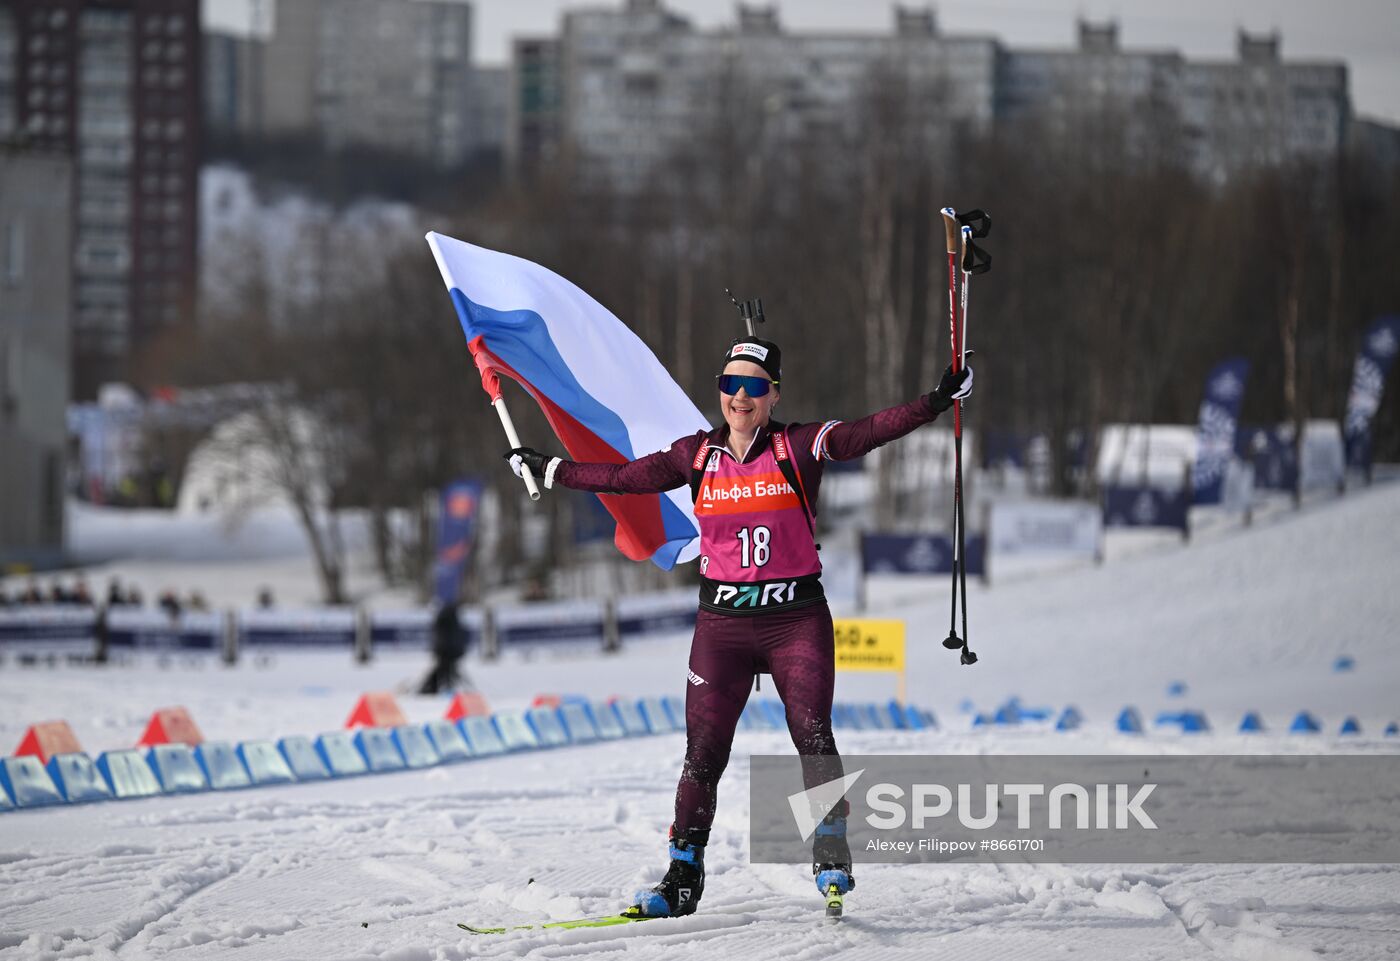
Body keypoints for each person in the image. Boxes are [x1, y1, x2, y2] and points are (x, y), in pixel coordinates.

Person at [505, 336, 972, 917]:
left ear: (774, 393)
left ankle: (830, 854)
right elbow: (625, 477)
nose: (741, 397)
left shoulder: (798, 445)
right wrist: (552, 469)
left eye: (754, 385)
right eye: (731, 385)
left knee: (813, 735)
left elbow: (867, 431)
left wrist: (933, 401)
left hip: (794, 621)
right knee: (702, 755)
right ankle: (682, 878)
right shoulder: (695, 455)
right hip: (722, 626)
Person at [420, 601, 469, 694]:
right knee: (442, 672)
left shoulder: (443, 621)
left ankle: (430, 689)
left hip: (444, 653)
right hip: (447, 653)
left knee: (441, 672)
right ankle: (434, 689)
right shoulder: (448, 622)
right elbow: (451, 639)